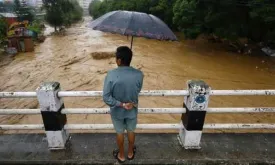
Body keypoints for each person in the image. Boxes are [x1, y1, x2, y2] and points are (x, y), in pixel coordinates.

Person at [103, 46, 143, 163]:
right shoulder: (139, 74)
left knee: (119, 132)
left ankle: (121, 155)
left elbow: (106, 97)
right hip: (132, 109)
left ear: (119, 60)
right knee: (131, 131)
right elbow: (138, 90)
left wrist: (120, 104)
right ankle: (130, 153)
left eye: (116, 58)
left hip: (117, 111)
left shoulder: (110, 74)